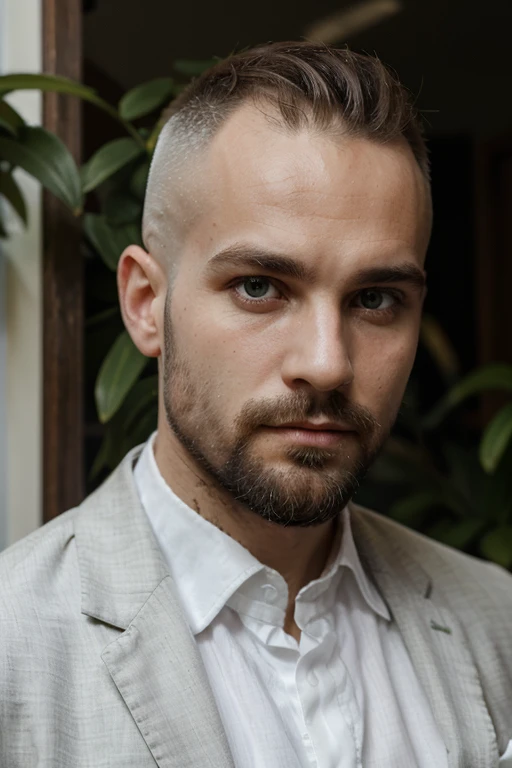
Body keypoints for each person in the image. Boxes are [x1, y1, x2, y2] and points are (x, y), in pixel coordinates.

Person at [1, 41, 511, 768]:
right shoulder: (14, 652)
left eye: (375, 299)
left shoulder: (497, 621)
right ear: (147, 304)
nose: (327, 364)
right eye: (260, 287)